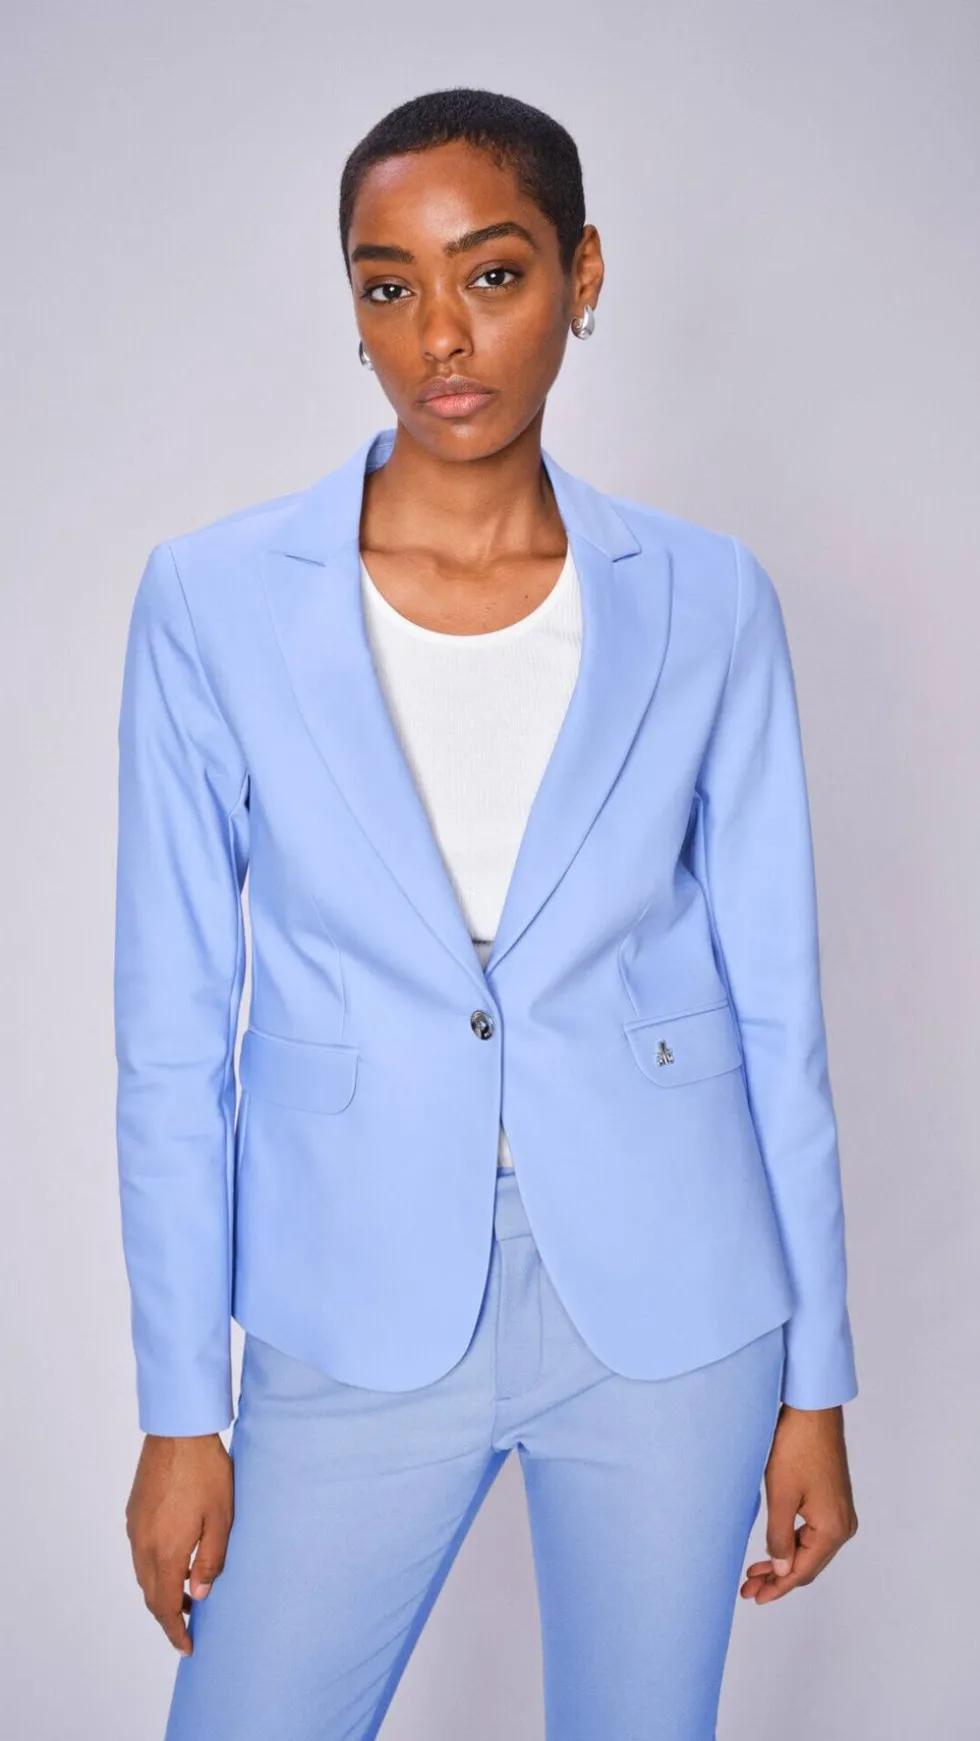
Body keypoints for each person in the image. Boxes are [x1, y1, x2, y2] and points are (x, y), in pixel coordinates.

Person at [115, 86, 859, 1741]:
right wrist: (180, 1410)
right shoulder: (215, 603)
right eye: (389, 286)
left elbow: (778, 1010)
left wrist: (818, 1380)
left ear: (582, 276)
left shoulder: (708, 599)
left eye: (493, 274)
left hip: (672, 1306)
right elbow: (170, 1039)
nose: (439, 335)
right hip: (347, 1299)